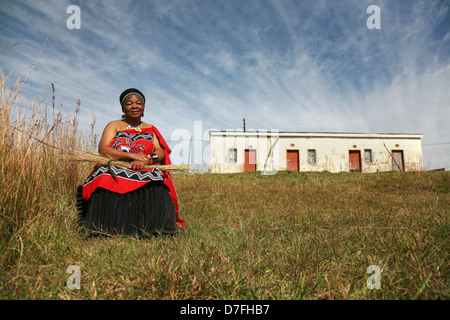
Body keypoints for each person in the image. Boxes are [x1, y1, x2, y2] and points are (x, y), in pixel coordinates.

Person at [77, 88, 184, 236]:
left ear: (143, 107)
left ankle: (154, 228)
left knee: (156, 179)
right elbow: (103, 148)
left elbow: (159, 151)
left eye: (138, 103)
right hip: (117, 164)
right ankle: (102, 228)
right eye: (129, 103)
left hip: (145, 166)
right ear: (123, 108)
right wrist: (132, 156)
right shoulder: (114, 125)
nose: (134, 106)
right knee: (103, 176)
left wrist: (147, 160)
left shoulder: (150, 129)